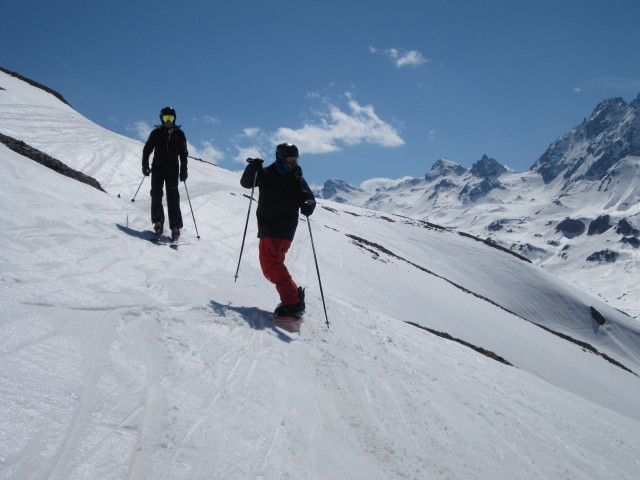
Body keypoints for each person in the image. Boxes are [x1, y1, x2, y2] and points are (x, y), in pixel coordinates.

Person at [240, 143, 316, 319]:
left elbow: (309, 197)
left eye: (296, 161)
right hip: (266, 226)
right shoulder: (267, 174)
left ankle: (292, 303)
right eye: (291, 161)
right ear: (280, 159)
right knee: (269, 267)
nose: (294, 164)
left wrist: (308, 205)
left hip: (283, 227)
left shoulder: (296, 178)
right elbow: (246, 183)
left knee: (272, 265)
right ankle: (294, 300)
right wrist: (252, 168)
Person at [142, 107, 188, 241]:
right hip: (157, 168)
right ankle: (158, 222)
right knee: (156, 194)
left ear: (174, 119)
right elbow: (147, 150)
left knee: (173, 196)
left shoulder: (179, 134)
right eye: (166, 118)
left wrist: (183, 171)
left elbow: (183, 154)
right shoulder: (156, 133)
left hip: (172, 169)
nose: (168, 121)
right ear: (162, 119)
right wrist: (145, 165)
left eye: (171, 118)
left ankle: (175, 226)